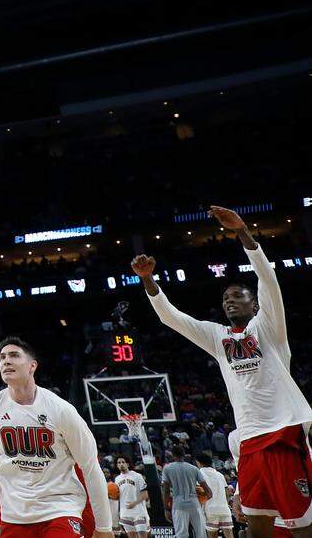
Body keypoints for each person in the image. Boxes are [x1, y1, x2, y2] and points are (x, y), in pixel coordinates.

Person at [131, 205, 312, 538]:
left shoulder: (268, 327)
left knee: (301, 525)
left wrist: (243, 231)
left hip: (284, 432)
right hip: (249, 440)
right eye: (225, 298)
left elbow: (268, 279)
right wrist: (148, 281)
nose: (229, 301)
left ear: (254, 304)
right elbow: (172, 318)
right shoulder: (218, 337)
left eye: (237, 296)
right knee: (257, 525)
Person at [0, 337, 112, 538]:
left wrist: (104, 527)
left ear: (32, 366)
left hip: (60, 508)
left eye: (14, 355)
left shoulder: (61, 410)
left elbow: (90, 466)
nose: (6, 361)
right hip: (14, 514)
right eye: (2, 357)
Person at [161, 446, 211, 538]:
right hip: (194, 504)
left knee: (181, 534)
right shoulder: (194, 468)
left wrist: (166, 508)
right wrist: (202, 501)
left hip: (178, 504)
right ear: (184, 455)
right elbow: (209, 492)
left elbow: (166, 490)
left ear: (172, 455)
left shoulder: (167, 468)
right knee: (201, 534)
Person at [194, 454, 232, 538]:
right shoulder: (220, 475)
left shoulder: (199, 474)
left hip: (210, 509)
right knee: (229, 534)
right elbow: (227, 492)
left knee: (212, 535)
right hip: (224, 508)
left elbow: (200, 494)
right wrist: (226, 504)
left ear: (199, 463)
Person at [114, 457, 149, 538]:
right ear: (117, 465)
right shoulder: (117, 479)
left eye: (123, 462)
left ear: (128, 464)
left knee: (142, 535)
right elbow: (117, 498)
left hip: (138, 512)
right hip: (125, 512)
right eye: (119, 463)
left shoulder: (137, 476)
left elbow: (145, 494)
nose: (121, 464)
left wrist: (134, 503)